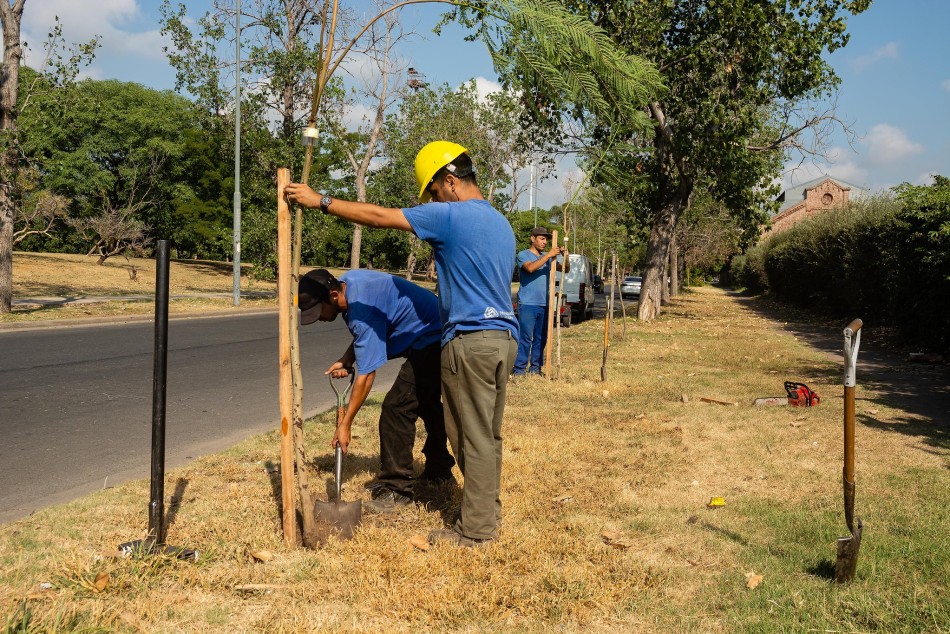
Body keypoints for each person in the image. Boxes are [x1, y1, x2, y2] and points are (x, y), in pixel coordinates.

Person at [285, 141, 518, 547]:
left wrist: (319, 200)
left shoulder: (451, 215)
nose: (432, 202)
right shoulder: (500, 223)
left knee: (468, 436)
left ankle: (477, 532)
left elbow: (378, 217)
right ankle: (487, 514)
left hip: (469, 340)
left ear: (449, 181)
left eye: (432, 193)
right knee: (487, 436)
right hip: (503, 339)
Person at [297, 268, 455, 513]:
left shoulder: (361, 310)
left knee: (396, 408)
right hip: (428, 329)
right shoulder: (350, 285)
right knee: (426, 403)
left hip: (433, 336)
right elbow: (368, 334)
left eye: (318, 312)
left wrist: (345, 423)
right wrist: (346, 359)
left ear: (332, 296)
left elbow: (367, 374)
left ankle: (396, 489)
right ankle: (440, 470)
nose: (318, 318)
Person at [513, 227, 569, 376]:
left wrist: (565, 256)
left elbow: (565, 269)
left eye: (546, 239)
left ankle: (535, 368)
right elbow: (530, 268)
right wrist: (548, 256)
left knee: (541, 338)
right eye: (542, 238)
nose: (545, 242)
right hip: (528, 303)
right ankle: (519, 370)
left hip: (545, 304)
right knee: (525, 337)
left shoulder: (548, 257)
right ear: (533, 238)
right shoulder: (523, 255)